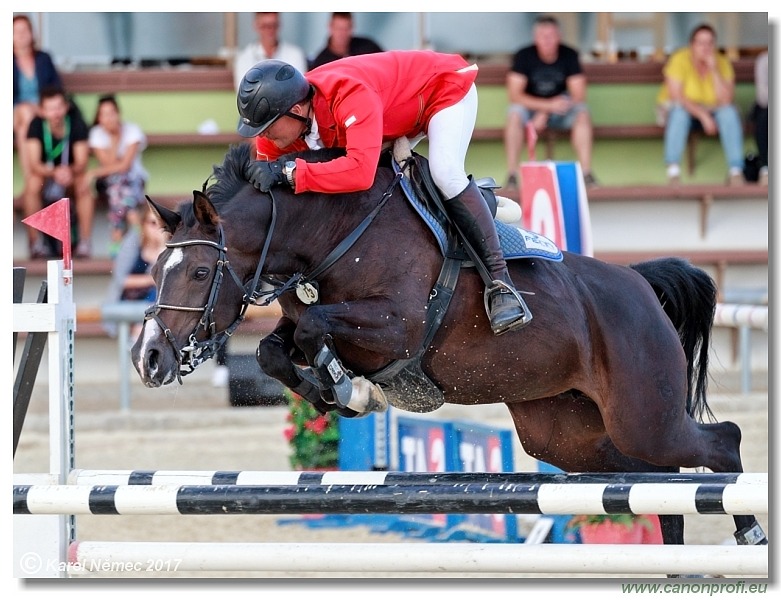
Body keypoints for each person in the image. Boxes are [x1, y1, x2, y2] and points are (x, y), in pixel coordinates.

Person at [236, 52, 529, 335]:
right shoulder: (284, 129)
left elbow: (360, 173)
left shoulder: (348, 94)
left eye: (267, 127)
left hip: (442, 90)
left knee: (445, 173)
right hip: (391, 113)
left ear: (296, 110)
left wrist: (291, 173)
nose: (263, 137)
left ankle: (500, 284)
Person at [503, 15, 597, 190]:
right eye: (542, 36)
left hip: (562, 109)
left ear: (559, 37)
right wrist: (545, 107)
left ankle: (586, 173)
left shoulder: (569, 55)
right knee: (514, 114)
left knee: (582, 113)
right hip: (531, 110)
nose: (546, 40)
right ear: (535, 38)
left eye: (551, 35)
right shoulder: (524, 56)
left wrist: (547, 112)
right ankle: (512, 174)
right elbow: (514, 95)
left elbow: (579, 94)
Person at [656, 23, 745, 186]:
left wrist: (714, 70)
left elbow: (726, 100)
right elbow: (677, 96)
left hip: (714, 110)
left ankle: (736, 172)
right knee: (679, 114)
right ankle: (673, 172)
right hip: (683, 108)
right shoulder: (679, 59)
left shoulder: (722, 62)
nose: (706, 47)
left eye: (710, 43)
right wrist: (703, 116)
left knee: (729, 113)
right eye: (701, 43)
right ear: (692, 44)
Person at [23, 86, 94, 259]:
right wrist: (55, 172)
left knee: (84, 184)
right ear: (41, 111)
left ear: (66, 107)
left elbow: (82, 161)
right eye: (50, 109)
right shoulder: (36, 125)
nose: (56, 113)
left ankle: (85, 241)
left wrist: (68, 171)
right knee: (32, 184)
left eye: (59, 107)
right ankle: (35, 243)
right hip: (46, 176)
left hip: (69, 176)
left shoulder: (76, 122)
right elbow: (34, 163)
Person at [87, 94, 149, 256]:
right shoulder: (96, 134)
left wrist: (95, 172)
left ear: (118, 114)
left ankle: (116, 236)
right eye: (103, 114)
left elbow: (124, 166)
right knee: (117, 183)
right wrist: (114, 139)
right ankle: (135, 224)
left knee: (119, 182)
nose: (108, 118)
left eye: (111, 113)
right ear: (98, 117)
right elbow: (111, 165)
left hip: (134, 181)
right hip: (112, 185)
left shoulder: (132, 130)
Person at [13, 14, 64, 199]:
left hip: (40, 111)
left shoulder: (43, 58)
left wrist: (41, 107)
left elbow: (56, 88)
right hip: (14, 111)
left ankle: (30, 181)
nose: (21, 35)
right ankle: (31, 178)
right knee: (25, 113)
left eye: (25, 30)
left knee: (23, 126)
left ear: (32, 33)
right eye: (16, 31)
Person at [102, 202, 167, 340]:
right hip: (130, 301)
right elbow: (121, 280)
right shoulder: (133, 243)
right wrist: (150, 280)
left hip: (154, 305)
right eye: (153, 223)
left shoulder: (169, 249)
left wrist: (161, 248)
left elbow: (165, 281)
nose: (158, 229)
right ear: (143, 224)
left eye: (162, 224)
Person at [233, 12, 307, 91]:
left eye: (274, 26)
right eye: (265, 26)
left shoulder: (295, 55)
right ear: (256, 26)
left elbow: (299, 88)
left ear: (279, 24)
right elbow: (245, 92)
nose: (270, 30)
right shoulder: (244, 58)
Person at [308, 12, 383, 70]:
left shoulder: (369, 48)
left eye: (346, 29)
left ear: (352, 27)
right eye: (339, 29)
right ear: (330, 27)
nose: (342, 34)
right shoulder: (321, 62)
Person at [752, 50, 768, 186]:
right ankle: (766, 169)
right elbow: (763, 97)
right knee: (765, 117)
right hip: (767, 108)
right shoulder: (765, 60)